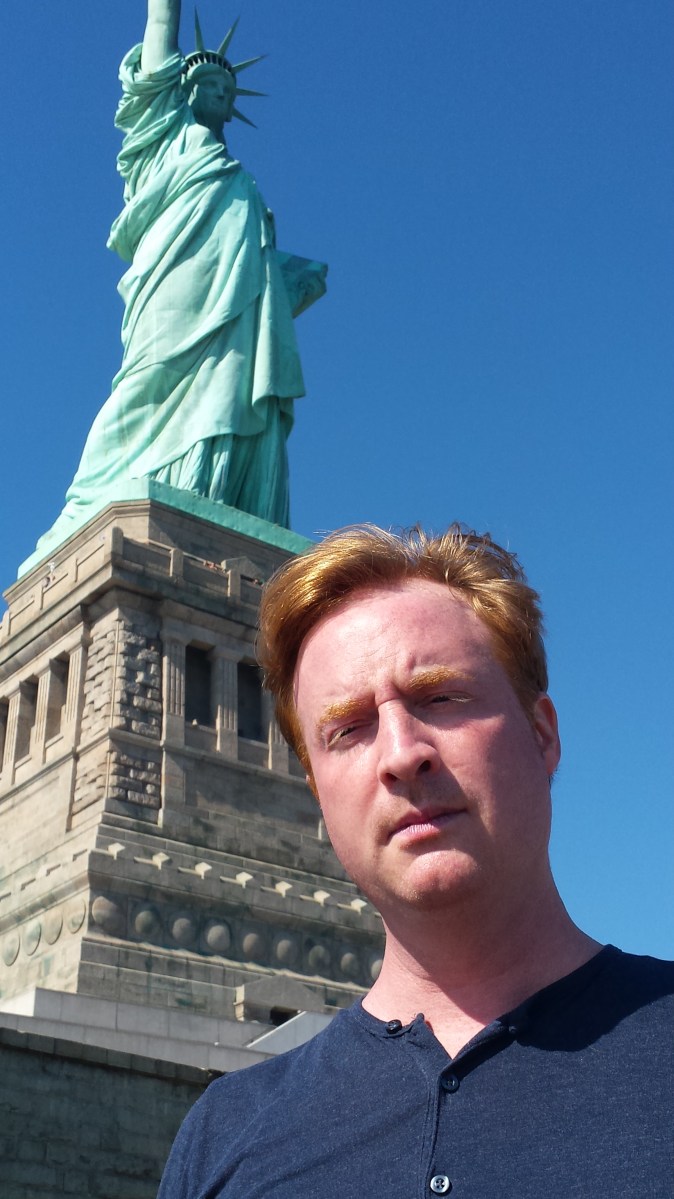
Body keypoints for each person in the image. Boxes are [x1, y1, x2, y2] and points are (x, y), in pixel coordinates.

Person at [158, 524, 673, 1198]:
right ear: (318, 794)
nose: (402, 754)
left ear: (542, 734)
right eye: (350, 728)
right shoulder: (221, 1137)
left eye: (441, 698)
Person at [38, 0, 326, 555]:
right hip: (173, 285)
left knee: (232, 382)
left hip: (240, 304)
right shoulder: (164, 139)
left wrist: (289, 279)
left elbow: (248, 253)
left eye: (226, 88)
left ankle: (216, 494)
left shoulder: (237, 175)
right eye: (206, 83)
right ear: (181, 91)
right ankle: (90, 501)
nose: (218, 92)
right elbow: (159, 41)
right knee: (148, 379)